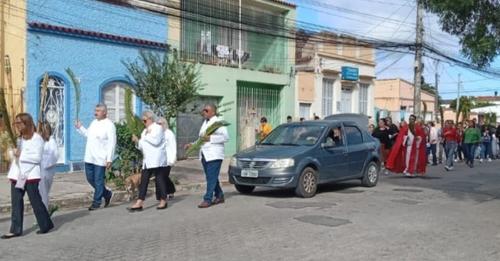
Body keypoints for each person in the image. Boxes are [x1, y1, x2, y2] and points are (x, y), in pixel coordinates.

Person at [2, 113, 54, 239]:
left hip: (30, 175)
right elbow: (12, 156)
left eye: (19, 123)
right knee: (16, 202)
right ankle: (15, 230)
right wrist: (12, 153)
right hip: (17, 174)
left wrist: (21, 154)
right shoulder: (19, 139)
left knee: (35, 201)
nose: (17, 126)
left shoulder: (37, 139)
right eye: (16, 123)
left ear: (27, 123)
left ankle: (45, 224)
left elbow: (37, 158)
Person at [184, 104, 229, 208]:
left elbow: (226, 137)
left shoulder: (218, 123)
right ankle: (220, 195)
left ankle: (207, 199)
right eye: (204, 110)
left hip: (214, 154)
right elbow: (202, 138)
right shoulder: (205, 122)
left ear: (213, 112)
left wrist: (211, 138)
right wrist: (192, 144)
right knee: (211, 177)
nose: (204, 112)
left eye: (206, 110)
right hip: (205, 154)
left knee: (211, 178)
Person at [75, 104, 116, 211]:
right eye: (95, 110)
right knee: (90, 178)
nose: (95, 112)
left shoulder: (109, 125)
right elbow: (88, 134)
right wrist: (80, 127)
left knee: (98, 180)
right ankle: (107, 194)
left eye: (98, 111)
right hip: (89, 156)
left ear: (104, 112)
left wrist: (109, 159)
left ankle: (96, 202)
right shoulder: (94, 123)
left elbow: (112, 142)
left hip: (100, 157)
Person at [128, 111, 168, 212]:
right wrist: (137, 141)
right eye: (142, 120)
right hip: (147, 160)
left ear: (150, 119)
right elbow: (142, 146)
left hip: (156, 159)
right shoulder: (145, 131)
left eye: (144, 119)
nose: (143, 121)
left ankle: (163, 200)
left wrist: (145, 138)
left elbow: (156, 141)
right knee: (144, 181)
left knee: (159, 180)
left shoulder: (158, 128)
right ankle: (139, 202)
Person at [38, 122, 59, 213]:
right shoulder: (38, 140)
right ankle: (45, 211)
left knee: (44, 193)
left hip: (46, 171)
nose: (44, 131)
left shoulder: (51, 141)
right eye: (43, 129)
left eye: (46, 129)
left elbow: (55, 155)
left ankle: (45, 213)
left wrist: (45, 165)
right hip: (38, 171)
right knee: (41, 193)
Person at [158, 117, 176, 200]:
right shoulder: (157, 134)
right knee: (163, 177)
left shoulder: (169, 133)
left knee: (163, 176)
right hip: (158, 160)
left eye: (160, 124)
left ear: (164, 124)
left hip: (168, 159)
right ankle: (171, 189)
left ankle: (162, 195)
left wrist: (172, 160)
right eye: (157, 124)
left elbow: (173, 147)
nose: (158, 125)